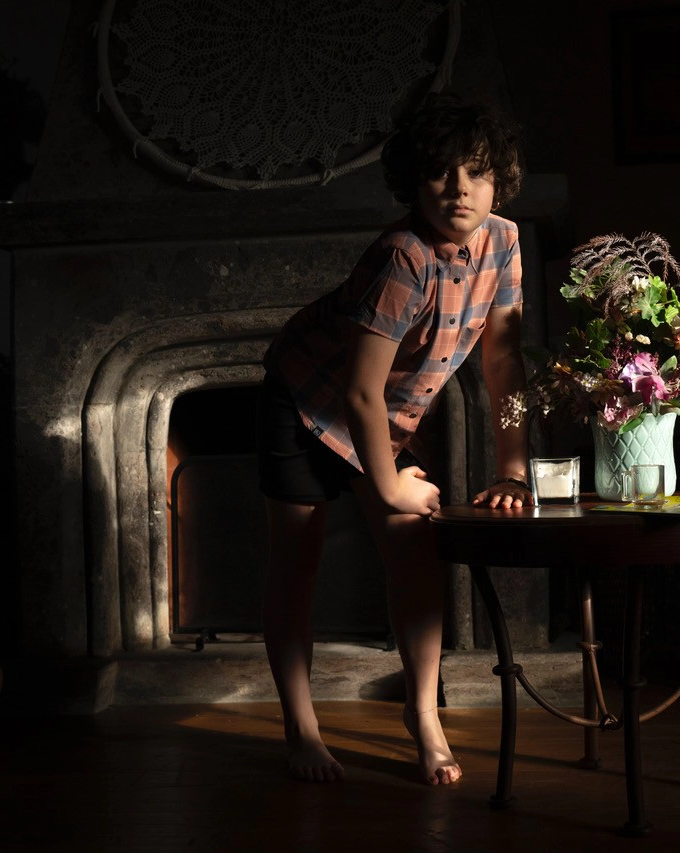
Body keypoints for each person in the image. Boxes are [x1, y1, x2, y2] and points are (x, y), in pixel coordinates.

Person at [257, 93, 533, 785]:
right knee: (298, 562)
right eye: (440, 172)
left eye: (475, 172)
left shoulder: (504, 242)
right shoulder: (401, 258)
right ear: (414, 181)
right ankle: (302, 727)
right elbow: (356, 391)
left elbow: (505, 365)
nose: (458, 189)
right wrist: (386, 485)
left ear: (498, 178)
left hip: (384, 417)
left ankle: (423, 713)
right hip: (305, 403)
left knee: (414, 551)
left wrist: (514, 468)